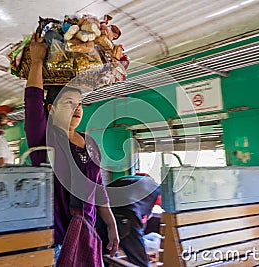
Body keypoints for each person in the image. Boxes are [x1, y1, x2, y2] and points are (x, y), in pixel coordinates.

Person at [24, 33, 119, 266]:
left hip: (88, 233)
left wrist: (111, 223)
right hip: (55, 241)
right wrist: (37, 61)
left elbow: (98, 189)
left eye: (79, 104)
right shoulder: (45, 138)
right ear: (51, 109)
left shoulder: (91, 144)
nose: (77, 109)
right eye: (68, 103)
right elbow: (32, 102)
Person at [97, 173, 161, 267]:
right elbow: (142, 217)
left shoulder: (132, 180)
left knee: (107, 257)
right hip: (125, 218)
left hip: (102, 214)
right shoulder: (157, 190)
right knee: (140, 262)